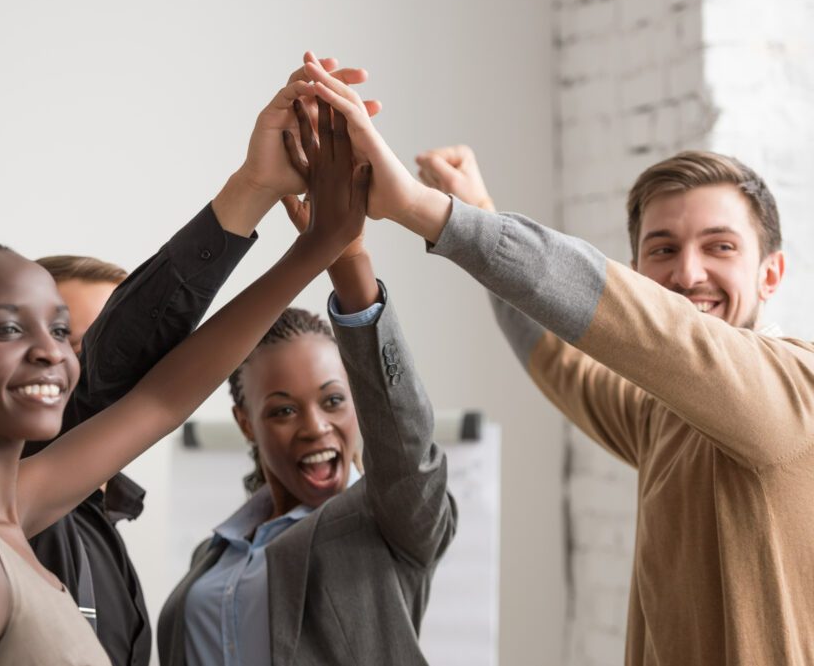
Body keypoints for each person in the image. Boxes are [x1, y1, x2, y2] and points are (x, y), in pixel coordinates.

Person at [0, 70, 370, 665]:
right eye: (6, 328)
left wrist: (316, 246)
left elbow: (160, 401)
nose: (53, 352)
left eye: (57, 329)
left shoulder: (7, 511)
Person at [304, 58, 814, 665]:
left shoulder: (793, 388)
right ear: (640, 273)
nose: (688, 273)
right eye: (664, 249)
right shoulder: (662, 416)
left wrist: (425, 210)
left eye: (720, 247)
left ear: (771, 274)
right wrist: (478, 211)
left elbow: (647, 324)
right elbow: (559, 356)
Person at [22, 55, 380, 666]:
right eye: (69, 346)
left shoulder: (102, 529)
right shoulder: (8, 511)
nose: (83, 373)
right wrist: (266, 200)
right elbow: (146, 384)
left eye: (85, 347)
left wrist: (265, 194)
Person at [156, 95, 456, 666]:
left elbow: (408, 451)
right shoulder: (214, 553)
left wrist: (346, 256)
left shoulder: (387, 522)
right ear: (245, 421)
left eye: (334, 400)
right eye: (283, 410)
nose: (315, 427)